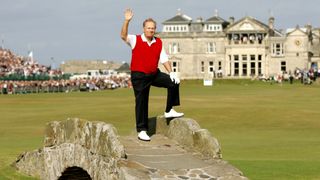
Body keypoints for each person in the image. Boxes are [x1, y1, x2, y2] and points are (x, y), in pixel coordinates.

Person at [121, 8, 184, 141]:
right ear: (144, 29)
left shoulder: (158, 42)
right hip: (139, 76)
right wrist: (127, 21)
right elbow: (123, 36)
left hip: (153, 73)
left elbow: (164, 59)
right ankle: (142, 130)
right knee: (142, 101)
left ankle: (169, 110)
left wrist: (171, 73)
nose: (151, 30)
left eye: (153, 28)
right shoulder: (135, 39)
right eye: (149, 28)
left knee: (173, 82)